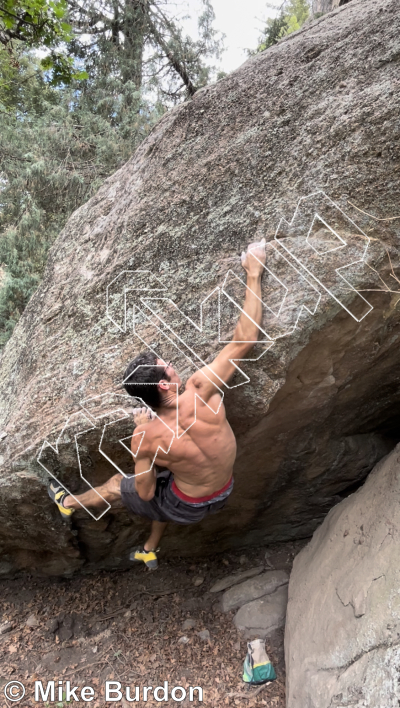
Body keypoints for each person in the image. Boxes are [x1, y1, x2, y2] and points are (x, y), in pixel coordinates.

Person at [49, 239, 266, 569]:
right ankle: (88, 513)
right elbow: (244, 339)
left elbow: (145, 491)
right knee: (142, 489)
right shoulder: (201, 390)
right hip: (223, 490)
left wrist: (143, 439)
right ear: (165, 384)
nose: (173, 363)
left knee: (129, 485)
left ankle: (78, 508)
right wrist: (254, 272)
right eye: (168, 364)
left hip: (189, 502)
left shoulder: (148, 438)